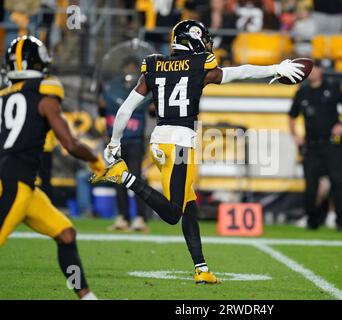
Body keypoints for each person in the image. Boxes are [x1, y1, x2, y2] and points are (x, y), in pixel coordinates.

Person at [90, 19, 305, 284]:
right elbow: (240, 72)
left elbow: (125, 109)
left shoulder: (154, 65)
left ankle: (201, 268)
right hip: (180, 144)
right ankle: (125, 176)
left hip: (159, 141)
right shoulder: (199, 65)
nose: (206, 44)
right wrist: (276, 68)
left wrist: (114, 143)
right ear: (193, 39)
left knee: (188, 205)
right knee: (172, 213)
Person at [0, 36, 105, 299]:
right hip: (15, 184)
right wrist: (94, 159)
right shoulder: (45, 97)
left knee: (65, 233)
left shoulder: (3, 97)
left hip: (24, 186)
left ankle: (87, 297)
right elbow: (69, 143)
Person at [288, 60, 342, 231]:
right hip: (311, 145)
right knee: (311, 185)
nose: (312, 72)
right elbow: (292, 115)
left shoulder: (333, 87)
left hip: (332, 144)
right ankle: (312, 220)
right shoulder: (302, 92)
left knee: (337, 182)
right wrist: (295, 135)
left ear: (321, 70)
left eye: (315, 68)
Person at [99, 57, 152, 232]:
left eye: (132, 67)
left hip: (135, 141)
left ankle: (140, 218)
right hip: (116, 142)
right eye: (127, 67)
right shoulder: (113, 87)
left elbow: (151, 110)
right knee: (119, 180)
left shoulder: (142, 86)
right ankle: (123, 217)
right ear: (122, 69)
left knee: (135, 179)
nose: (129, 70)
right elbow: (102, 107)